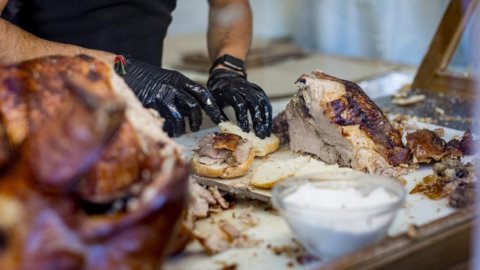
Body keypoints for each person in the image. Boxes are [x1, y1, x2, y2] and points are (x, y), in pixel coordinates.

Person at [0, 0, 272, 138]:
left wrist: (229, 67)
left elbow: (228, 7)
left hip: (142, 118)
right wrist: (115, 70)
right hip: (35, 123)